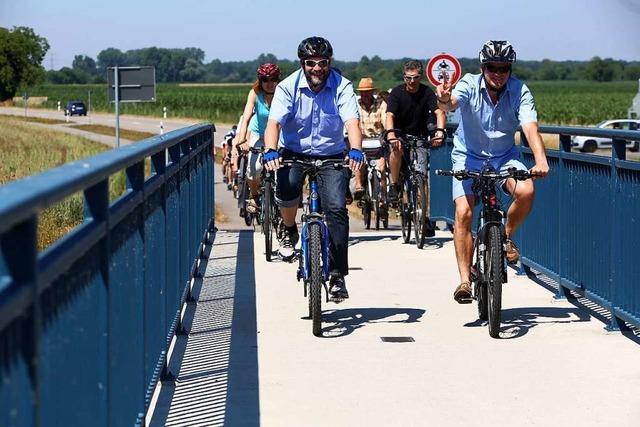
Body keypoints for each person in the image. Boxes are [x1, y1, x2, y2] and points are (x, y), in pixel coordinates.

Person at [436, 40, 549, 303]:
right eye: (492, 68)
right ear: (482, 67)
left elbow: (530, 127)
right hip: (468, 156)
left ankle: (506, 236)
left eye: (504, 68)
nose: (498, 73)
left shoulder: (520, 90)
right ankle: (465, 280)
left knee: (526, 189)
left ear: (510, 69)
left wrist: (540, 160)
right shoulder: (468, 83)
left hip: (504, 156)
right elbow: (450, 103)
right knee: (464, 212)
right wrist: (442, 96)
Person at [263, 36, 363, 301]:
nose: (317, 68)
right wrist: (271, 149)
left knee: (337, 210)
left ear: (329, 63)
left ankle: (338, 276)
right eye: (311, 63)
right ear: (302, 64)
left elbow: (352, 122)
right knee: (287, 188)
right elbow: (274, 124)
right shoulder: (287, 87)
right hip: (294, 152)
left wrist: (355, 148)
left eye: (322, 63)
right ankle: (289, 229)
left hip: (331, 155)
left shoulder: (342, 86)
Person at [386, 59, 446, 235]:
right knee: (396, 150)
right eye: (408, 78)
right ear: (404, 77)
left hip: (419, 135)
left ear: (421, 77)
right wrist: (391, 134)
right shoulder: (396, 93)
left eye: (415, 78)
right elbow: (390, 114)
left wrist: (440, 131)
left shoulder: (427, 92)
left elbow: (439, 112)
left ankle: (424, 216)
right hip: (399, 132)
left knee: (422, 176)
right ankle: (395, 184)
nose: (412, 82)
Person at [234, 63, 281, 213]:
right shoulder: (254, 93)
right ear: (260, 81)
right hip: (258, 133)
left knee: (284, 168)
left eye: (273, 79)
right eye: (265, 80)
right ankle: (255, 196)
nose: (270, 83)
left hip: (279, 134)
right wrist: (242, 140)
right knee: (254, 168)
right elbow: (246, 117)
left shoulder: (283, 93)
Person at [353, 77, 387, 203]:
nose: (365, 94)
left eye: (367, 91)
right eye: (362, 92)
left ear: (372, 92)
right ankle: (358, 186)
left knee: (382, 168)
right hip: (362, 140)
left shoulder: (381, 104)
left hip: (378, 140)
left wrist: (388, 132)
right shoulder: (356, 105)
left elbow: (385, 119)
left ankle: (383, 198)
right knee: (357, 160)